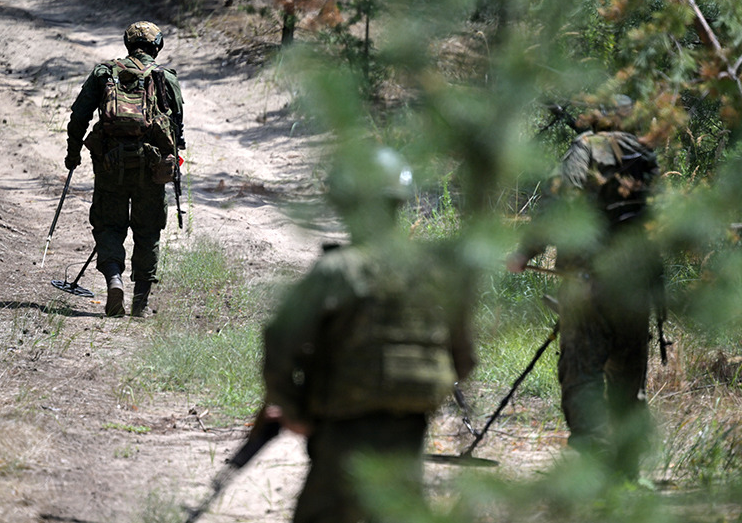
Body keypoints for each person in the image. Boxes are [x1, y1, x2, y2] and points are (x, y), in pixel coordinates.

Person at [263, 148, 476, 523]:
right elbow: (463, 357)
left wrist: (293, 410)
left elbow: (281, 339)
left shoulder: (338, 270)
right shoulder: (434, 271)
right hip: (410, 422)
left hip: (346, 424)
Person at [507, 96, 663, 480]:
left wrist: (525, 252)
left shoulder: (586, 148)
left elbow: (560, 203)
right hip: (636, 286)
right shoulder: (646, 157)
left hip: (587, 284)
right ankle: (626, 471)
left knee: (582, 372)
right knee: (628, 380)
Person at [64, 21, 185, 317]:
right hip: (151, 166)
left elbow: (79, 115)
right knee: (147, 229)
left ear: (127, 45)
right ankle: (140, 304)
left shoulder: (104, 73)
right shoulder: (164, 77)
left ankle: (114, 280)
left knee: (108, 224)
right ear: (157, 46)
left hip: (110, 165)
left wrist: (73, 153)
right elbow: (177, 128)